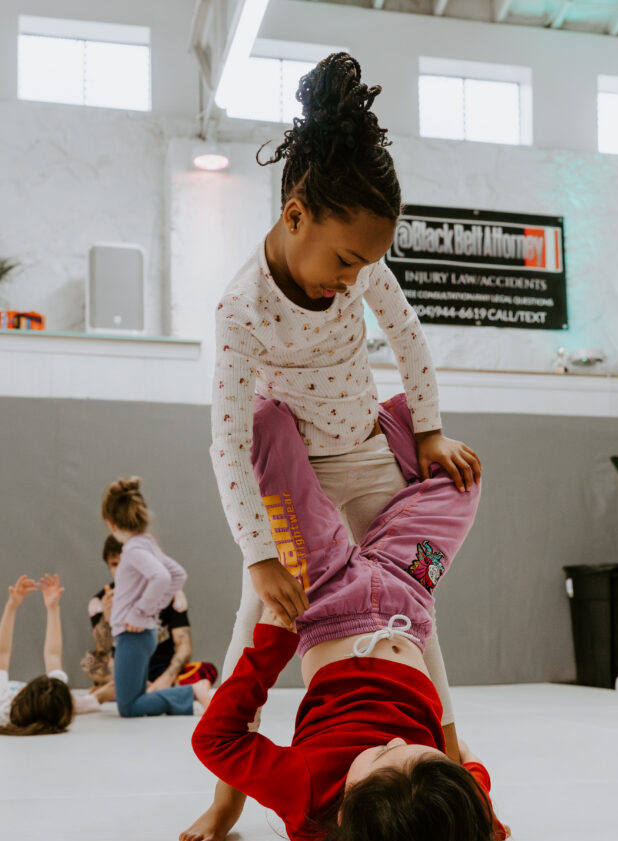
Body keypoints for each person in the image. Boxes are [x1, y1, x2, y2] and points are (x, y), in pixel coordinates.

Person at [211, 52, 481, 715]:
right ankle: (226, 784)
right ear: (296, 215)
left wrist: (429, 429)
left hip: (364, 456)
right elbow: (227, 442)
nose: (349, 279)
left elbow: (407, 336)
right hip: (294, 475)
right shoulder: (240, 307)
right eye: (344, 259)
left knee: (411, 604)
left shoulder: (359, 270)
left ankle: (445, 741)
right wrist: (260, 555)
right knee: (258, 621)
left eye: (364, 263)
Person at [182, 396, 508, 841]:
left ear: (344, 808)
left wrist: (272, 645)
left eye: (380, 754)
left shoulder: (307, 792)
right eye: (426, 758)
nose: (398, 741)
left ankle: (346, 406)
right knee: (462, 477)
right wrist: (472, 808)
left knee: (268, 420)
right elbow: (470, 769)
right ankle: (394, 415)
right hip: (408, 587)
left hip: (321, 592)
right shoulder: (438, 796)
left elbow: (216, 742)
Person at [101, 477, 213, 718]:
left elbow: (162, 577)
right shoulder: (147, 542)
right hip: (141, 635)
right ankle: (189, 697)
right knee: (135, 697)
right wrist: (154, 609)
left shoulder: (132, 549)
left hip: (132, 636)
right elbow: (177, 574)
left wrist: (139, 613)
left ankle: (192, 690)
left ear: (110, 523)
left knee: (128, 707)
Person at [0, 574, 100, 735]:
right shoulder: (55, 699)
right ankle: (99, 697)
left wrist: (11, 607)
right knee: (76, 703)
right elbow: (53, 654)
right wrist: (53, 608)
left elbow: (2, 652)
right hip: (43, 701)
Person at [82, 535, 197, 701]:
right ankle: (148, 691)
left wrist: (167, 677)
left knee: (205, 669)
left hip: (160, 667)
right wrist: (107, 619)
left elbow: (184, 646)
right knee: (91, 664)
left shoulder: (170, 595)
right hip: (123, 667)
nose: (120, 571)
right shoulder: (100, 602)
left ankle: (126, 690)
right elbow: (101, 652)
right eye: (114, 565)